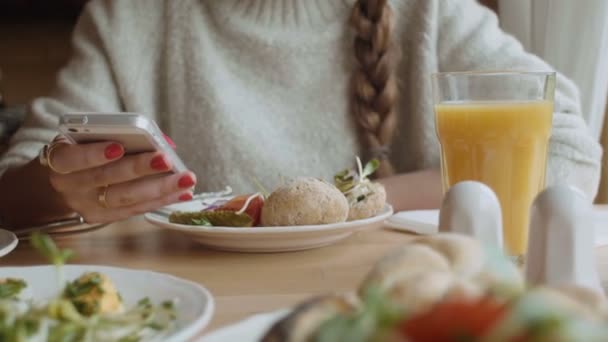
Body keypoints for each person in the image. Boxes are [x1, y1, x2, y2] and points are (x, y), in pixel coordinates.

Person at [0, 0, 601, 228]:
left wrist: (361, 203)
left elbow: (569, 156)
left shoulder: (427, 11)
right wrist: (63, 188)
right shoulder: (129, 19)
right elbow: (17, 185)